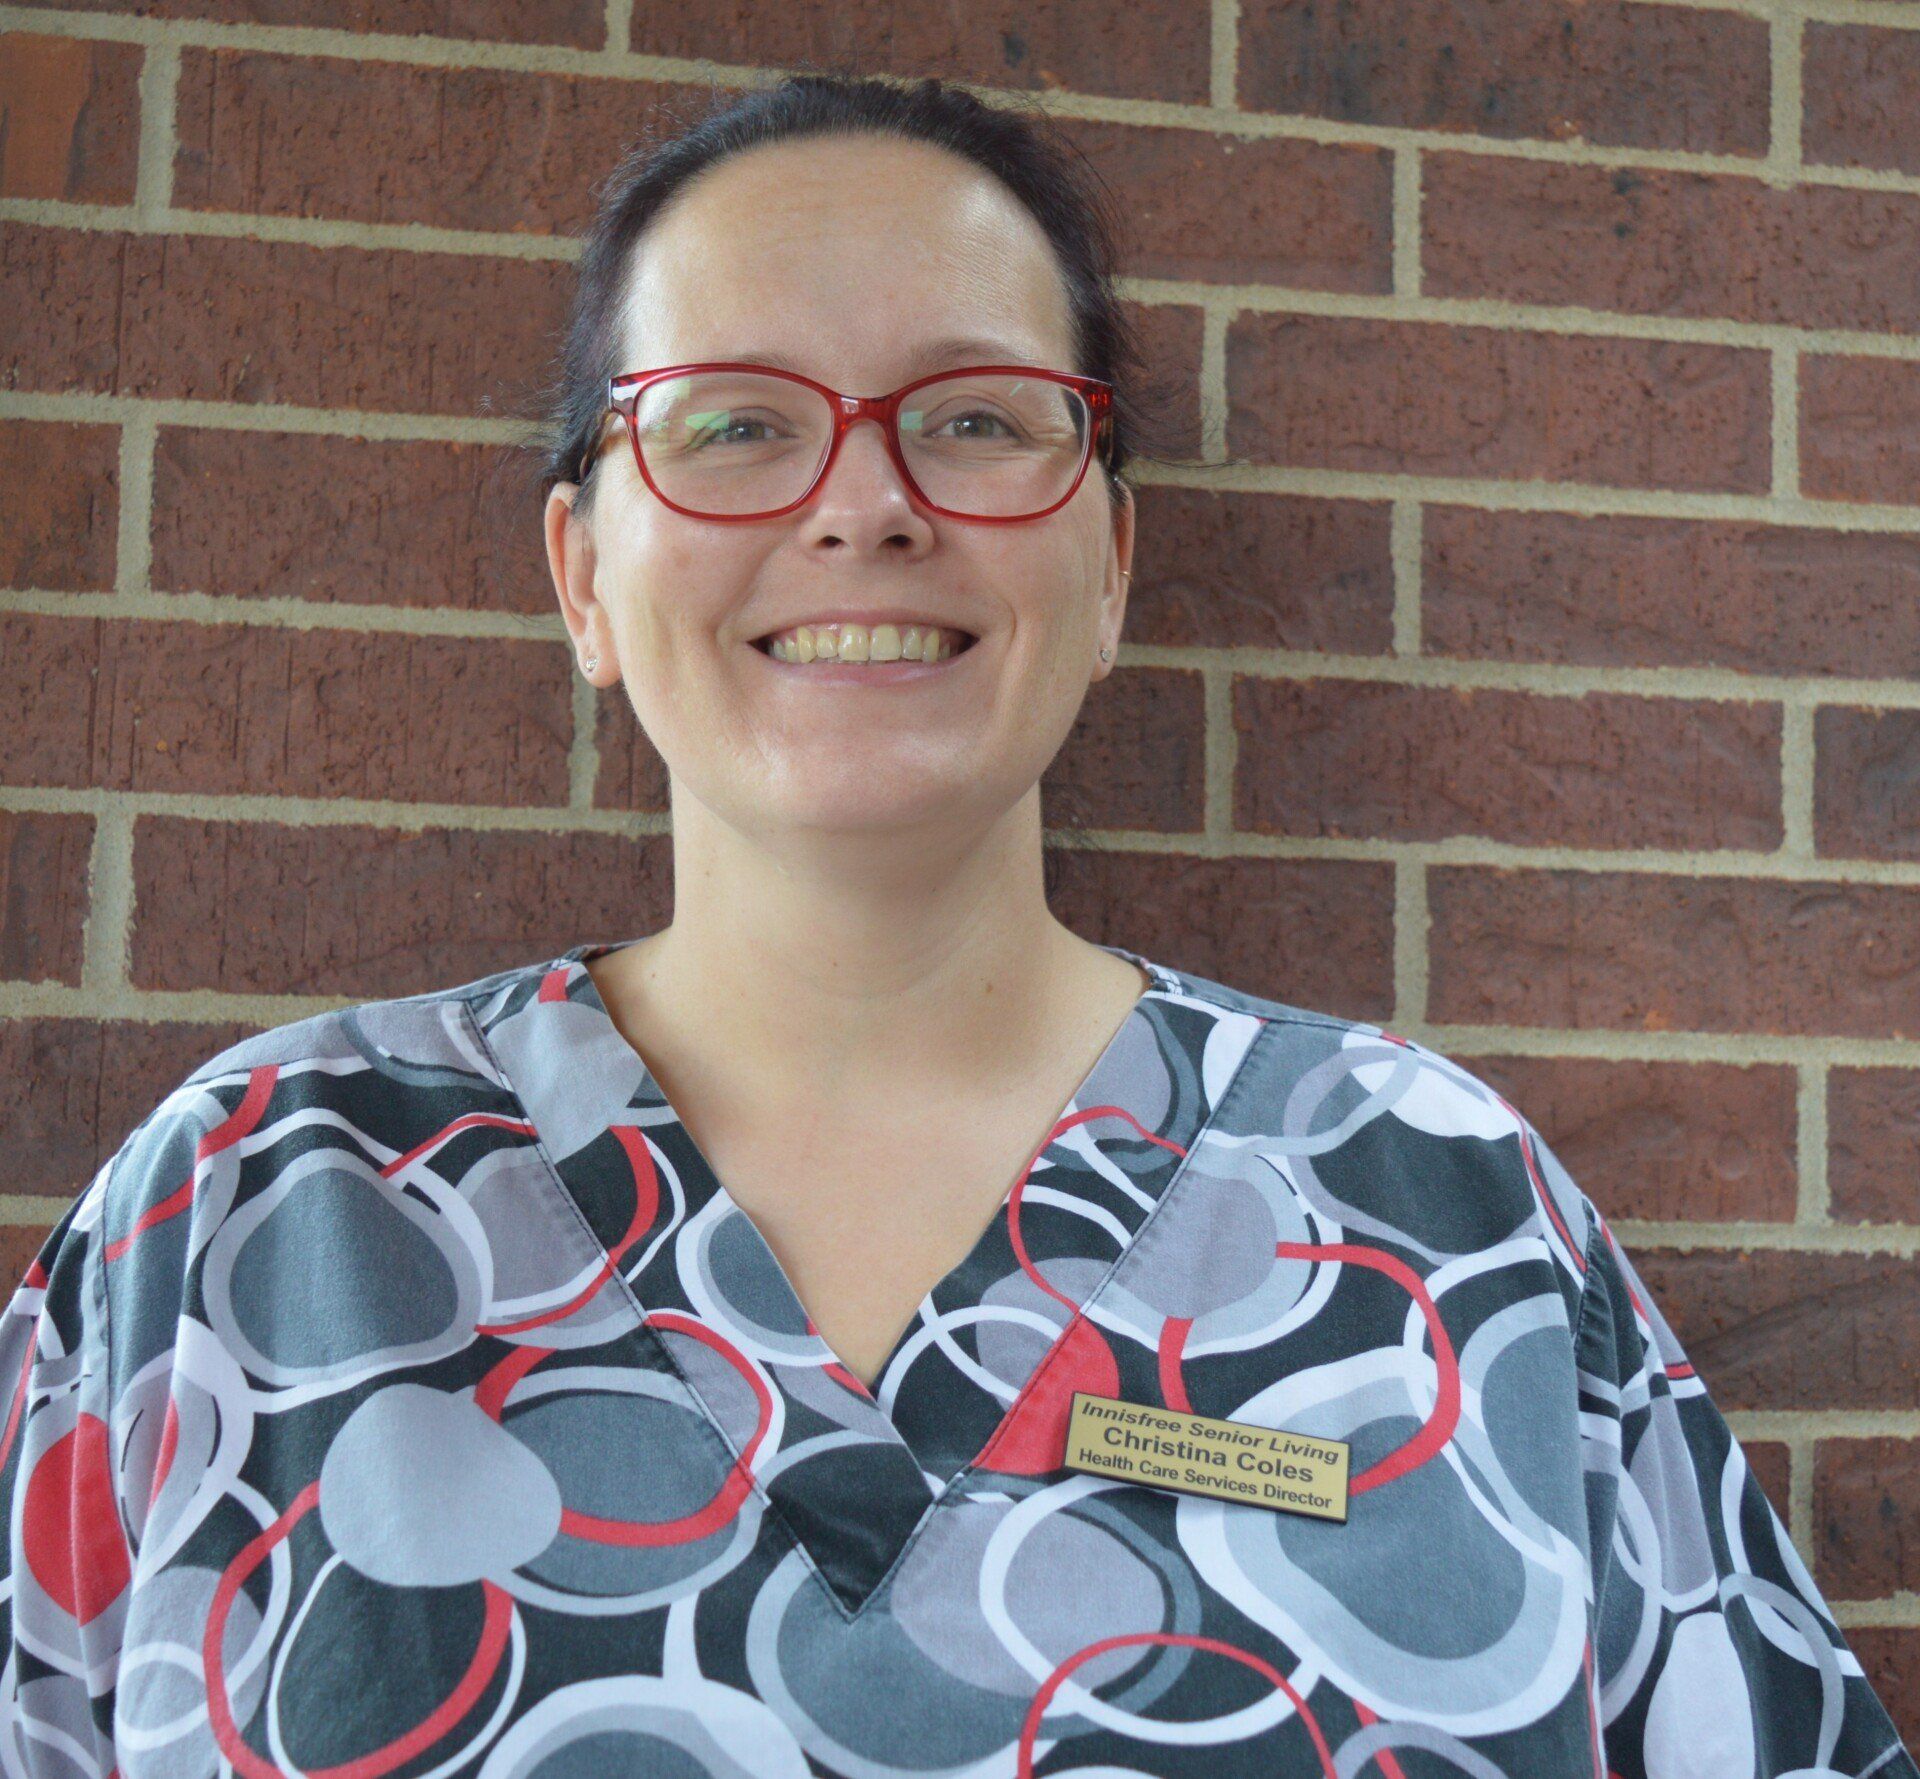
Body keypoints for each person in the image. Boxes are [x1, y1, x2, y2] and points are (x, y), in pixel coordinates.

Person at [0, 70, 1912, 1779]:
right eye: (734, 425)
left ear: (1110, 566)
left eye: (980, 419)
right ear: (585, 577)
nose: (864, 506)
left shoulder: (1447, 1210)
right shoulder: (250, 1208)